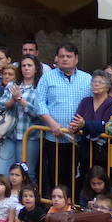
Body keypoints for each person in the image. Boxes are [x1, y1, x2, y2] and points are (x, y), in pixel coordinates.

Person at [34, 42, 92, 195]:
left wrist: (83, 123)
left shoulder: (87, 79)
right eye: (61, 56)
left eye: (69, 56)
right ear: (56, 58)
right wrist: (52, 123)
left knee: (77, 177)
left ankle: (73, 208)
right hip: (55, 138)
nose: (65, 59)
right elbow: (39, 103)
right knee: (56, 177)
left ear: (76, 58)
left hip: (78, 138)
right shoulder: (47, 78)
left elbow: (94, 104)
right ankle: (57, 208)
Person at [0, 54, 41, 177]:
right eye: (23, 65)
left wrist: (20, 100)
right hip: (9, 134)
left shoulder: (40, 87)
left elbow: (38, 113)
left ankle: (26, 196)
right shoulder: (12, 85)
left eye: (29, 65)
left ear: (36, 68)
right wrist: (13, 100)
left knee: (27, 174)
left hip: (29, 136)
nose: (26, 68)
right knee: (1, 171)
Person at [68, 70, 112, 171]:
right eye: (94, 81)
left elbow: (106, 125)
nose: (96, 84)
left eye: (100, 82)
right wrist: (74, 127)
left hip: (103, 151)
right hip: (85, 150)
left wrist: (85, 124)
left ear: (107, 86)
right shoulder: (86, 101)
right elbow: (77, 120)